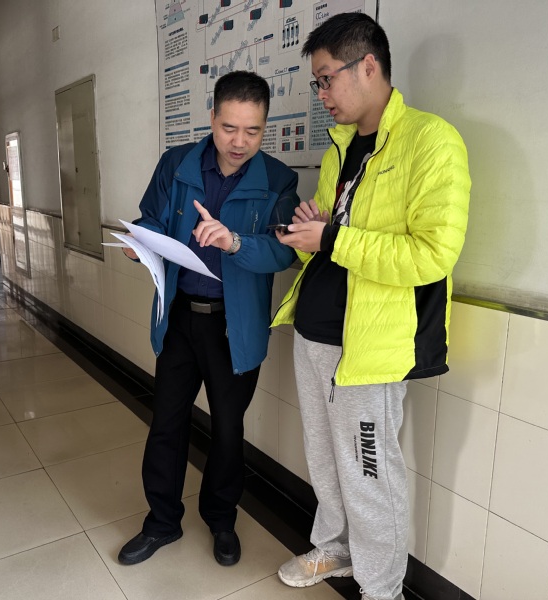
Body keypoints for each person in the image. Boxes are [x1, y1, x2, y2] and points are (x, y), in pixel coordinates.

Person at [272, 13, 470, 600]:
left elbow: (431, 254)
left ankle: (382, 590)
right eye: (317, 83)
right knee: (325, 461)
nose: (321, 95)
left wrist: (332, 237)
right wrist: (314, 229)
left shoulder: (431, 142)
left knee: (369, 473)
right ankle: (335, 549)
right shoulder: (341, 147)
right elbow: (338, 239)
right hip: (314, 333)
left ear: (369, 66)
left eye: (326, 79)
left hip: (370, 347)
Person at [117, 70, 298, 568]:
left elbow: (284, 253)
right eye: (229, 128)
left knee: (228, 430)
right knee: (166, 423)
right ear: (212, 118)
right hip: (179, 318)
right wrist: (140, 241)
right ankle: (162, 522)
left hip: (234, 328)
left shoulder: (278, 180)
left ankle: (221, 519)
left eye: (253, 130)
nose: (239, 142)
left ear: (265, 126)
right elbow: (152, 218)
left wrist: (235, 242)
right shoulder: (176, 164)